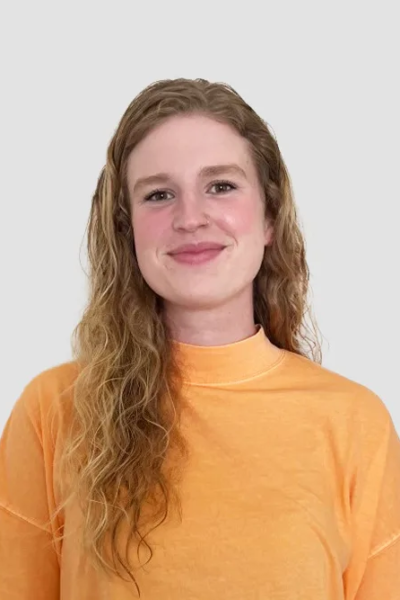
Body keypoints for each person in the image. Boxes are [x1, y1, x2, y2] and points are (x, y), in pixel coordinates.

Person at [0, 78, 399, 600]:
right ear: (127, 230)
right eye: (158, 195)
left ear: (270, 217)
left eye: (221, 186)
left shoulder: (355, 423)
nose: (190, 218)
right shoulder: (54, 410)